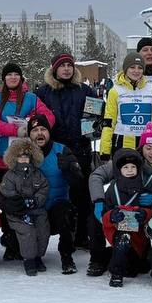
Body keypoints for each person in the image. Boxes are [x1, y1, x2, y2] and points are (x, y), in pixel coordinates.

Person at [35, 51, 98, 248]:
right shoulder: (43, 93)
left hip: (81, 149)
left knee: (81, 194)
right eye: (62, 66)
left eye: (69, 65)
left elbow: (94, 116)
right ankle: (59, 233)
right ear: (54, 69)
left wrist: (89, 133)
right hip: (55, 151)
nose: (66, 69)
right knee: (58, 192)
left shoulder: (85, 90)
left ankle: (81, 235)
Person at [26, 113, 83, 274]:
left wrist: (69, 170)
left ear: (49, 132)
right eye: (35, 130)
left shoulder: (61, 150)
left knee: (67, 213)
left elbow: (78, 183)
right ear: (29, 134)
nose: (39, 133)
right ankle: (29, 254)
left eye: (43, 129)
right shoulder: (23, 152)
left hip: (56, 207)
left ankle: (67, 256)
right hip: (32, 208)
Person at [93, 148, 152, 287]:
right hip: (119, 232)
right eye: (126, 167)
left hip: (139, 236)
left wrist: (145, 214)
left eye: (133, 167)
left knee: (138, 269)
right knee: (123, 239)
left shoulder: (143, 186)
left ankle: (112, 258)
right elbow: (105, 214)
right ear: (118, 169)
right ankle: (116, 273)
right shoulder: (112, 189)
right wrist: (113, 216)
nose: (130, 170)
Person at [0, 137, 52, 276]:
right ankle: (29, 259)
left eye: (26, 157)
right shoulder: (10, 176)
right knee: (27, 232)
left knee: (42, 230)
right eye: (20, 157)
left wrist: (36, 201)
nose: (23, 160)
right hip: (18, 213)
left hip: (37, 209)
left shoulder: (37, 174)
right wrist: (20, 203)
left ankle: (38, 257)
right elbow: (6, 191)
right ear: (14, 158)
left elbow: (44, 187)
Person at [100, 53, 152, 160]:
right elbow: (109, 122)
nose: (136, 71)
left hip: (147, 144)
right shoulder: (115, 90)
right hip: (121, 142)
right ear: (125, 69)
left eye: (140, 68)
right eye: (132, 67)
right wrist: (105, 149)